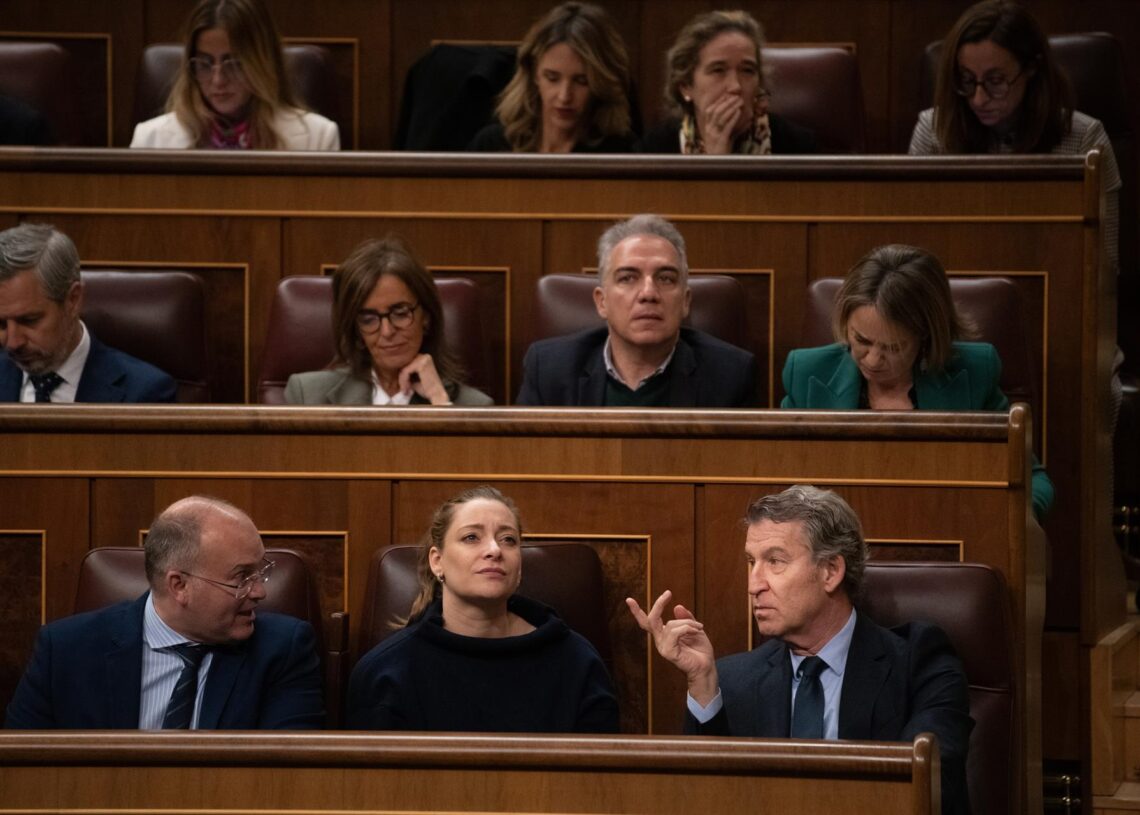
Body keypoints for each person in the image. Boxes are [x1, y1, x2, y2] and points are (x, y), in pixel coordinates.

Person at [627, 484, 972, 815]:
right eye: (751, 562)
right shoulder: (732, 681)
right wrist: (702, 681)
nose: (753, 584)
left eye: (775, 561)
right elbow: (704, 801)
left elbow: (926, 788)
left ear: (831, 571)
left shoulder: (919, 664)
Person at [781, 243, 1054, 520]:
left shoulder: (973, 373)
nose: (873, 360)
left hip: (945, 535)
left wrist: (1002, 518)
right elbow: (779, 479)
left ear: (926, 336)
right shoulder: (807, 373)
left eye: (893, 347)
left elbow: (1032, 481)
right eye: (861, 340)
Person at [4, 496, 324, 729]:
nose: (259, 592)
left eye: (260, 572)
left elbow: (286, 781)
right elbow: (23, 773)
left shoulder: (283, 651)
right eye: (242, 578)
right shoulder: (65, 651)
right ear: (179, 585)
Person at [347, 485, 619, 732]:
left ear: (519, 565)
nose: (494, 550)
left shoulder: (577, 661)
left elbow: (601, 782)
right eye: (471, 537)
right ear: (437, 561)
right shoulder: (386, 671)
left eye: (508, 540)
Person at [908, 0, 1120, 277]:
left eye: (996, 81)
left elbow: (1104, 269)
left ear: (1032, 69)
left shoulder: (1084, 138)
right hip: (955, 295)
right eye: (967, 80)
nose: (979, 98)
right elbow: (913, 257)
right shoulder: (933, 131)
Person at [515, 214, 757, 406]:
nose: (648, 293)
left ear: (685, 301)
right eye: (628, 278)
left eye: (665, 279)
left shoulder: (731, 375)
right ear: (602, 302)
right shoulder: (549, 370)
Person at [284, 236, 492, 406]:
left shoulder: (473, 406)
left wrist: (440, 402)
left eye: (400, 313)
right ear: (356, 331)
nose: (386, 331)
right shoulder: (308, 396)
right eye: (368, 319)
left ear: (426, 317)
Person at [0, 223, 177, 403]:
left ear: (73, 300)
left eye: (29, 320)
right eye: (1, 325)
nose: (12, 343)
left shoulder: (145, 393)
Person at [130, 0, 339, 150]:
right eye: (204, 64)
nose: (218, 80)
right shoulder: (150, 138)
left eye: (234, 64)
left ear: (261, 63)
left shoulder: (318, 137)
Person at [641, 10, 816, 155]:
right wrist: (716, 156)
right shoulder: (655, 149)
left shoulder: (797, 147)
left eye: (747, 70)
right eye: (718, 70)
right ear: (686, 86)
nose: (736, 87)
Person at [468, 2, 635, 153]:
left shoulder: (619, 151)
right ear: (534, 74)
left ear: (600, 83)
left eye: (581, 81)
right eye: (552, 78)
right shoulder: (492, 144)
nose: (564, 96)